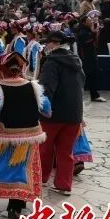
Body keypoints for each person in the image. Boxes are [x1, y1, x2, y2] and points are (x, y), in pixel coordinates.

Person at [0, 52, 52, 219]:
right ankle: (18, 203)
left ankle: (14, 206)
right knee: (24, 168)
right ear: (20, 69)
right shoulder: (33, 86)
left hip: (7, 137)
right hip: (31, 136)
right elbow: (47, 110)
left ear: (2, 69)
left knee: (11, 168)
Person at [37, 31, 84, 196]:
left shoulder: (51, 62)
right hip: (74, 113)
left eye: (47, 42)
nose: (45, 46)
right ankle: (64, 184)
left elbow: (46, 88)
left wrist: (42, 108)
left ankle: (41, 178)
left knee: (45, 148)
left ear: (54, 43)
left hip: (54, 113)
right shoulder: (76, 60)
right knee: (66, 151)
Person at [75, 12, 106, 103]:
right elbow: (86, 42)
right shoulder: (82, 32)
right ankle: (90, 95)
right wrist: (93, 33)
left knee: (92, 77)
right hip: (86, 59)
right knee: (87, 77)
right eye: (89, 20)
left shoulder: (88, 30)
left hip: (91, 57)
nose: (91, 22)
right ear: (84, 22)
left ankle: (94, 95)